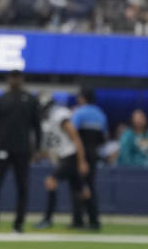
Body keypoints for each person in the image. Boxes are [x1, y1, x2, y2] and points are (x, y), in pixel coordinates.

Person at [0, 70, 41, 233]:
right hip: (1, 148)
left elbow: (36, 126)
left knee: (22, 187)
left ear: (22, 80)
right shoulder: (1, 100)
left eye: (18, 78)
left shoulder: (30, 100)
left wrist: (37, 148)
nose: (15, 81)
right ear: (9, 80)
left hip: (22, 149)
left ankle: (18, 224)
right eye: (12, 78)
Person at [35, 100, 89, 229]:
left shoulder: (60, 115)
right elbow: (53, 144)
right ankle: (82, 221)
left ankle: (48, 219)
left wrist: (82, 160)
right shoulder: (48, 122)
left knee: (51, 182)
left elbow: (75, 136)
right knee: (80, 190)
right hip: (65, 156)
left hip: (70, 156)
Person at [72, 89, 107, 230]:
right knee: (90, 186)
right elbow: (103, 137)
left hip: (81, 155)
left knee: (79, 186)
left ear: (82, 98)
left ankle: (80, 221)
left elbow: (73, 134)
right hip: (94, 155)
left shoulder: (80, 112)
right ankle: (93, 220)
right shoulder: (100, 114)